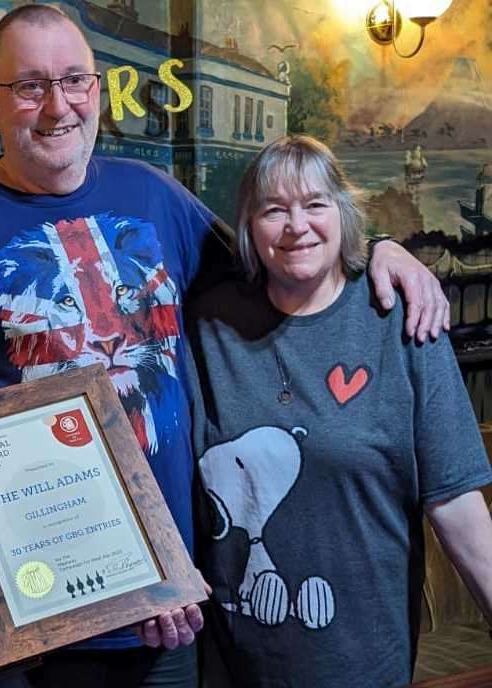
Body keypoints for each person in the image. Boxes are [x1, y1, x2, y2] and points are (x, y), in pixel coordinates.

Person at [0, 7, 450, 687]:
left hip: (165, 613)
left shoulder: (153, 194)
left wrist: (382, 250)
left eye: (75, 81)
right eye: (30, 86)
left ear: (97, 90)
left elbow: (284, 262)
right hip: (19, 614)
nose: (57, 106)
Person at [187, 135, 492, 687]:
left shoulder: (402, 318)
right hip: (232, 665)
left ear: (344, 214)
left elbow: (456, 503)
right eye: (273, 209)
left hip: (362, 663)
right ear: (249, 228)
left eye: (315, 204)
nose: (295, 225)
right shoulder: (208, 325)